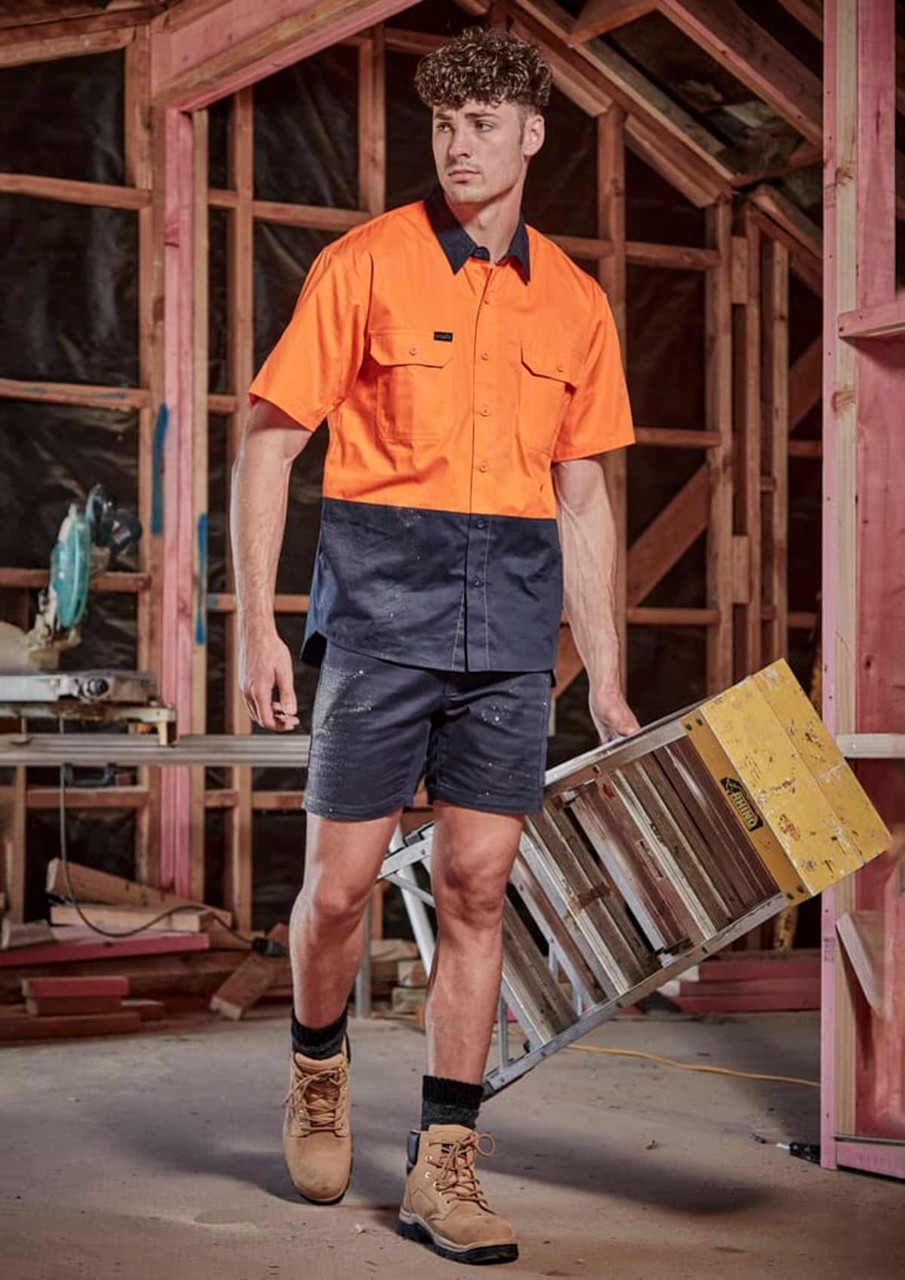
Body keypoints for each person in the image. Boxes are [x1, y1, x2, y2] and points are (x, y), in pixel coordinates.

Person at [231, 25, 638, 1266]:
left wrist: (606, 668)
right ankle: (316, 1066)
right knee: (341, 890)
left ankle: (446, 1163)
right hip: (377, 609)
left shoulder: (573, 300)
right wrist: (256, 621)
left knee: (472, 889)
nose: (458, 148)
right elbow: (266, 442)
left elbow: (582, 499)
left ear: (529, 134)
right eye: (442, 128)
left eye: (481, 126)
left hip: (509, 625)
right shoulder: (364, 265)